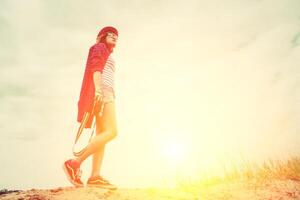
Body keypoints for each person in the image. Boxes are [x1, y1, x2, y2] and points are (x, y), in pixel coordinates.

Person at [63, 26, 119, 190]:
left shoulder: (107, 53)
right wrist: (99, 91)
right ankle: (74, 163)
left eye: (117, 36)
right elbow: (96, 68)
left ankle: (95, 176)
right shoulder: (99, 47)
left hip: (107, 92)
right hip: (103, 92)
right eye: (111, 34)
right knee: (112, 131)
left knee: (102, 134)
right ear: (102, 36)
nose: (115, 36)